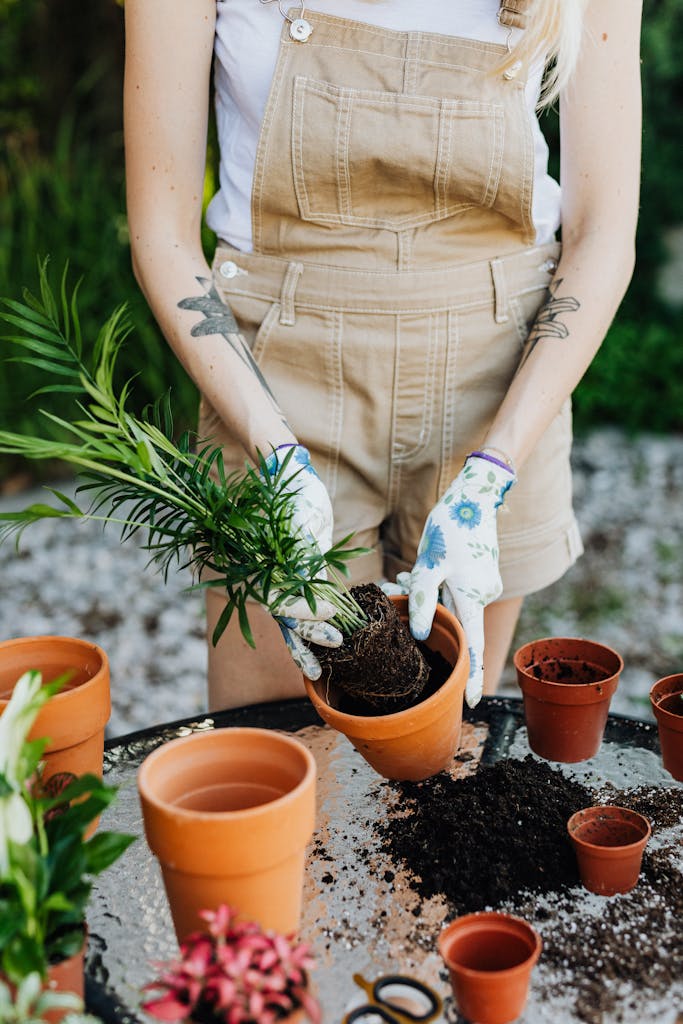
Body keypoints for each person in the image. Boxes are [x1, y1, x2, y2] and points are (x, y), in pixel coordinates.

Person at [123, 0, 642, 712]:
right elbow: (161, 233)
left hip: (495, 384)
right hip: (274, 383)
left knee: (440, 764)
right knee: (280, 762)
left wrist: (491, 472)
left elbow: (602, 234)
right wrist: (274, 453)